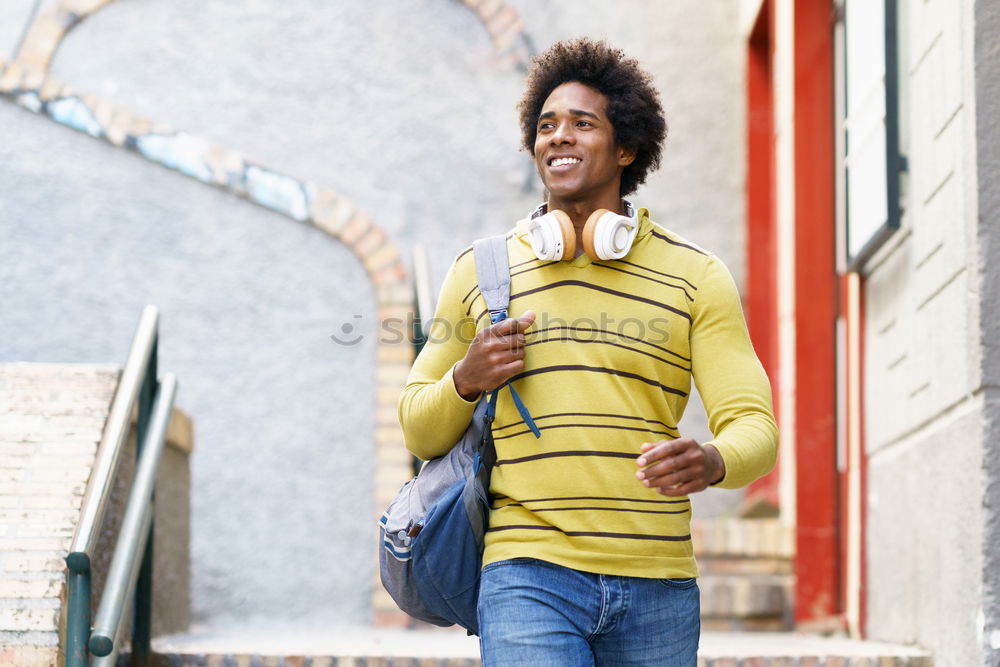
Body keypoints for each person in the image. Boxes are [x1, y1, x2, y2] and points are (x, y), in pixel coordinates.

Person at [398, 37, 778, 666]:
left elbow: (754, 425)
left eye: (582, 123)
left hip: (658, 581)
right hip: (527, 574)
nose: (558, 137)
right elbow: (416, 423)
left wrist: (712, 460)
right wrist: (466, 379)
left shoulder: (695, 276)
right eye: (546, 126)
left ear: (626, 147)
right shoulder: (480, 271)